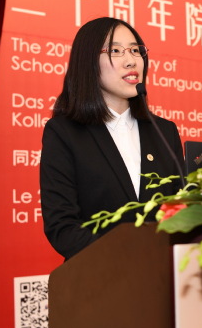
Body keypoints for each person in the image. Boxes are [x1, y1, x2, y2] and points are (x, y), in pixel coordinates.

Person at [40, 17, 184, 259]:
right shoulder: (64, 132)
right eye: (115, 51)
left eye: (135, 50)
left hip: (164, 276)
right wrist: (126, 258)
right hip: (100, 275)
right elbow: (62, 228)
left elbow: (180, 211)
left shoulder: (164, 131)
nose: (131, 61)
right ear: (88, 62)